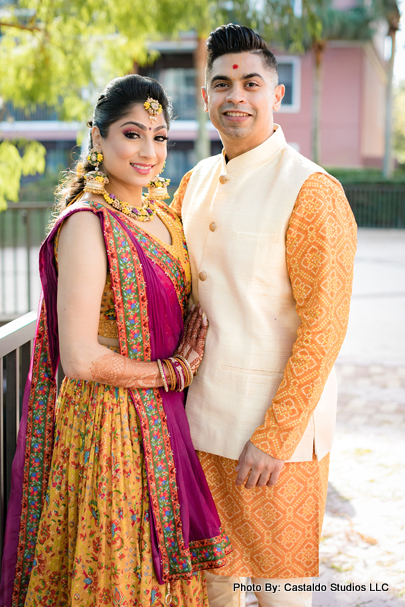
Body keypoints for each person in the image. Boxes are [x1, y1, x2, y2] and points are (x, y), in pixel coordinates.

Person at [0, 74, 231, 607]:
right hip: (108, 425)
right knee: (120, 570)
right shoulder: (87, 225)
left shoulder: (165, 218)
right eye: (132, 134)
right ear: (99, 140)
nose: (149, 151)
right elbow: (80, 357)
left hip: (166, 416)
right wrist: (171, 371)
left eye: (159, 136)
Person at [172, 24, 357, 607]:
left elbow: (323, 330)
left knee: (280, 594)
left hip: (271, 444)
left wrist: (274, 438)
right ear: (205, 97)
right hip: (198, 432)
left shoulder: (312, 191)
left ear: (276, 95)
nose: (236, 96)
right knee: (212, 591)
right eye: (222, 84)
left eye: (252, 82)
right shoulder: (195, 181)